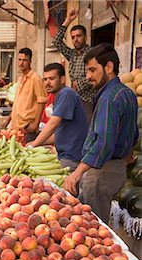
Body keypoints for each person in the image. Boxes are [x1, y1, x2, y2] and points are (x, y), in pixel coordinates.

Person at [64, 43, 139, 224]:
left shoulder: (109, 98)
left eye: (92, 70)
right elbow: (133, 133)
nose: (88, 76)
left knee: (94, 227)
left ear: (109, 67)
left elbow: (103, 143)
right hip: (117, 169)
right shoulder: (127, 93)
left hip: (101, 173)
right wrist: (127, 156)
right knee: (104, 224)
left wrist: (77, 173)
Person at [28, 63, 88, 172]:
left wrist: (34, 144)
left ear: (62, 79)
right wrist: (38, 143)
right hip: (65, 154)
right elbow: (60, 133)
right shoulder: (60, 96)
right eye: (45, 79)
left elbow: (53, 124)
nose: (47, 83)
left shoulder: (67, 94)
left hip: (71, 157)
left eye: (52, 79)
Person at [53, 8, 95, 121]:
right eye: (73, 37)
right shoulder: (71, 54)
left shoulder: (93, 53)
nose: (76, 39)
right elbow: (57, 42)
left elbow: (98, 75)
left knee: (86, 131)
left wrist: (79, 83)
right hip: (73, 98)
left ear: (85, 37)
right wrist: (68, 20)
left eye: (79, 36)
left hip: (88, 101)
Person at [5, 48, 47, 142]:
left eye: (25, 60)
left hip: (28, 126)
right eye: (19, 60)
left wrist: (35, 123)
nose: (21, 63)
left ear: (30, 61)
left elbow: (42, 101)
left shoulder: (35, 79)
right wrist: (8, 120)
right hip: (17, 126)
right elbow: (17, 103)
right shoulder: (20, 79)